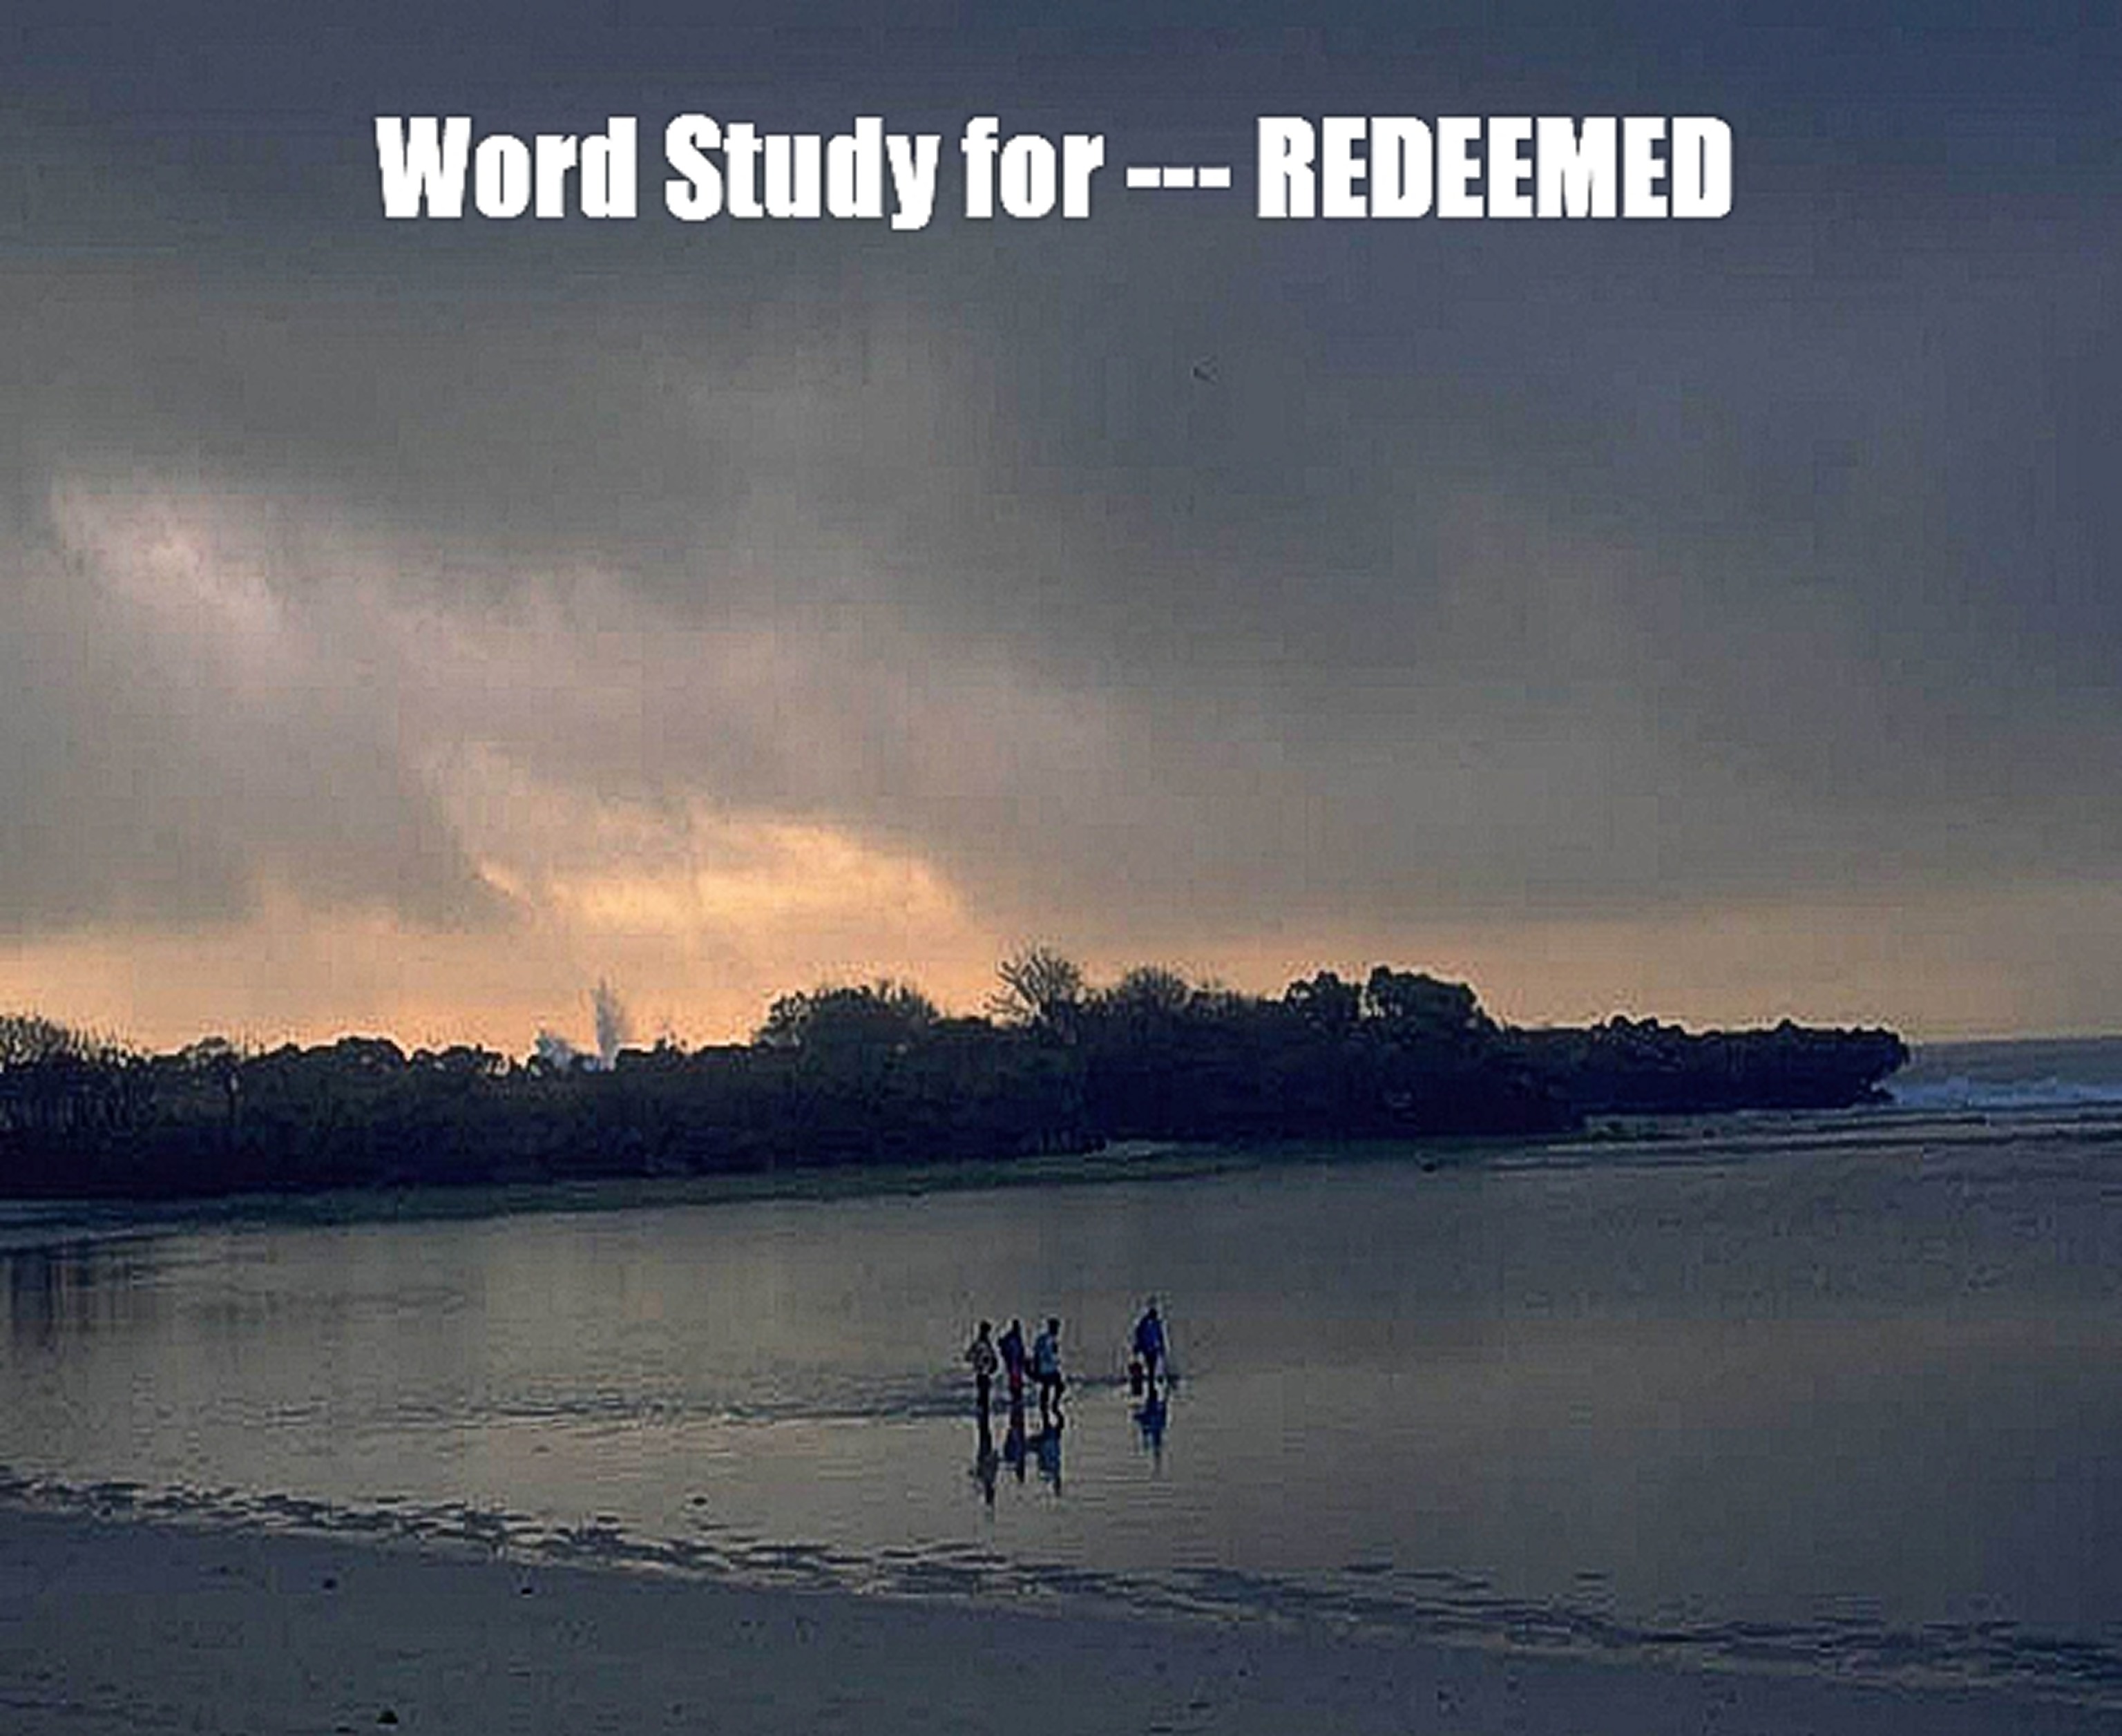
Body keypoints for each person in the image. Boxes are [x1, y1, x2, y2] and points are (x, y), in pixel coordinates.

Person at [1031, 1316, 1065, 1427]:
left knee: (1049, 1389)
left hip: (1047, 1369)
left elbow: (1037, 1354)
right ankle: (1052, 1406)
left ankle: (1047, 1407)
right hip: (1048, 1369)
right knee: (1056, 1387)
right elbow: (1044, 1355)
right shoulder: (1049, 1340)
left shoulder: (1044, 1339)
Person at [965, 1320, 1000, 1426]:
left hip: (983, 1373)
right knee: (984, 1395)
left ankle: (983, 1415)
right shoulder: (982, 1344)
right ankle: (983, 1416)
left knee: (983, 1395)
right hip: (983, 1373)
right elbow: (970, 1357)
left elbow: (969, 1357)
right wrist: (981, 1362)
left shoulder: (981, 1343)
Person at [1132, 1300, 1167, 1391]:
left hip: (1151, 1349)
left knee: (1152, 1368)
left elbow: (1159, 1336)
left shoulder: (1152, 1324)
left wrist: (1161, 1348)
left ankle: (1151, 1385)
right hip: (1149, 1349)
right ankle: (1150, 1386)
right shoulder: (1147, 1324)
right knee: (1151, 1367)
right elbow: (1141, 1335)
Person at [997, 1317, 1028, 1409]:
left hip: (1016, 1364)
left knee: (1016, 1381)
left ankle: (1017, 1397)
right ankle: (1016, 1398)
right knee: (1015, 1381)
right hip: (1014, 1363)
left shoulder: (1015, 1337)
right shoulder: (1012, 1337)